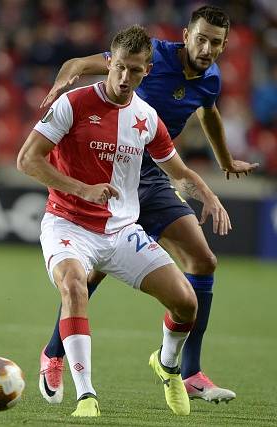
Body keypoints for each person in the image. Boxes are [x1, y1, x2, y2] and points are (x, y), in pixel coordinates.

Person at [37, 5, 258, 405]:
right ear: (186, 34)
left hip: (154, 175)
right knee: (88, 276)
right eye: (201, 38)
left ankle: (188, 371)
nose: (206, 47)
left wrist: (224, 162)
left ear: (225, 46)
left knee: (203, 260)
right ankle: (54, 355)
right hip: (112, 174)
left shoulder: (210, 79)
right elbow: (79, 64)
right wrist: (64, 82)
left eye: (216, 42)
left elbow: (209, 114)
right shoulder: (149, 53)